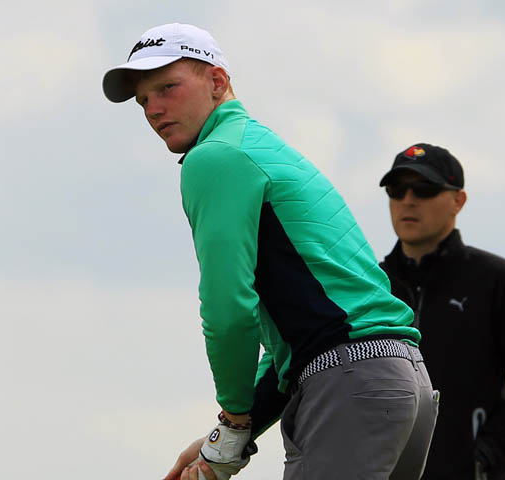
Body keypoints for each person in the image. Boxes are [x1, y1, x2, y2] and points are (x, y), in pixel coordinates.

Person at [102, 23, 439, 480]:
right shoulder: (262, 147)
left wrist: (234, 421)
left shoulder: (216, 156)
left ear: (217, 81)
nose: (154, 109)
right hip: (402, 383)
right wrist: (234, 431)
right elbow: (297, 336)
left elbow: (228, 309)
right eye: (143, 100)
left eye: (167, 88)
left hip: (351, 387)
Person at [378, 143, 505, 480]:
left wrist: (484, 451)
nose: (408, 200)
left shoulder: (498, 280)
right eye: (397, 189)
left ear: (458, 200)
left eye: (424, 189)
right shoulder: (371, 288)